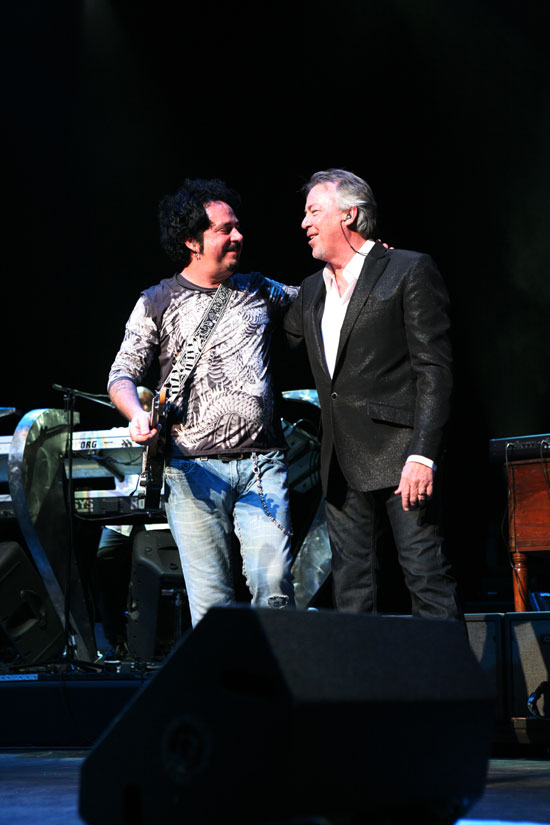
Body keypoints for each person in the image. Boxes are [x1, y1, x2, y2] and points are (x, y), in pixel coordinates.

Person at [107, 178, 296, 627]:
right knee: (212, 611)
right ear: (192, 241)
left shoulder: (260, 289)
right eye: (225, 230)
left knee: (275, 588)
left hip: (261, 466)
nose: (238, 236)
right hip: (191, 473)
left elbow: (324, 300)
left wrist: (362, 265)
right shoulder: (156, 301)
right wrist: (136, 415)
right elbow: (121, 374)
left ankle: (279, 673)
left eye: (237, 226)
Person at [284, 168, 462, 620]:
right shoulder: (311, 289)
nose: (304, 223)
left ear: (349, 214)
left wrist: (423, 455)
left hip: (401, 456)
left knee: (426, 578)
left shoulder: (407, 269)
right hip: (339, 460)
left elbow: (434, 370)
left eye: (314, 211)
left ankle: (450, 670)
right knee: (352, 593)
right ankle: (361, 672)